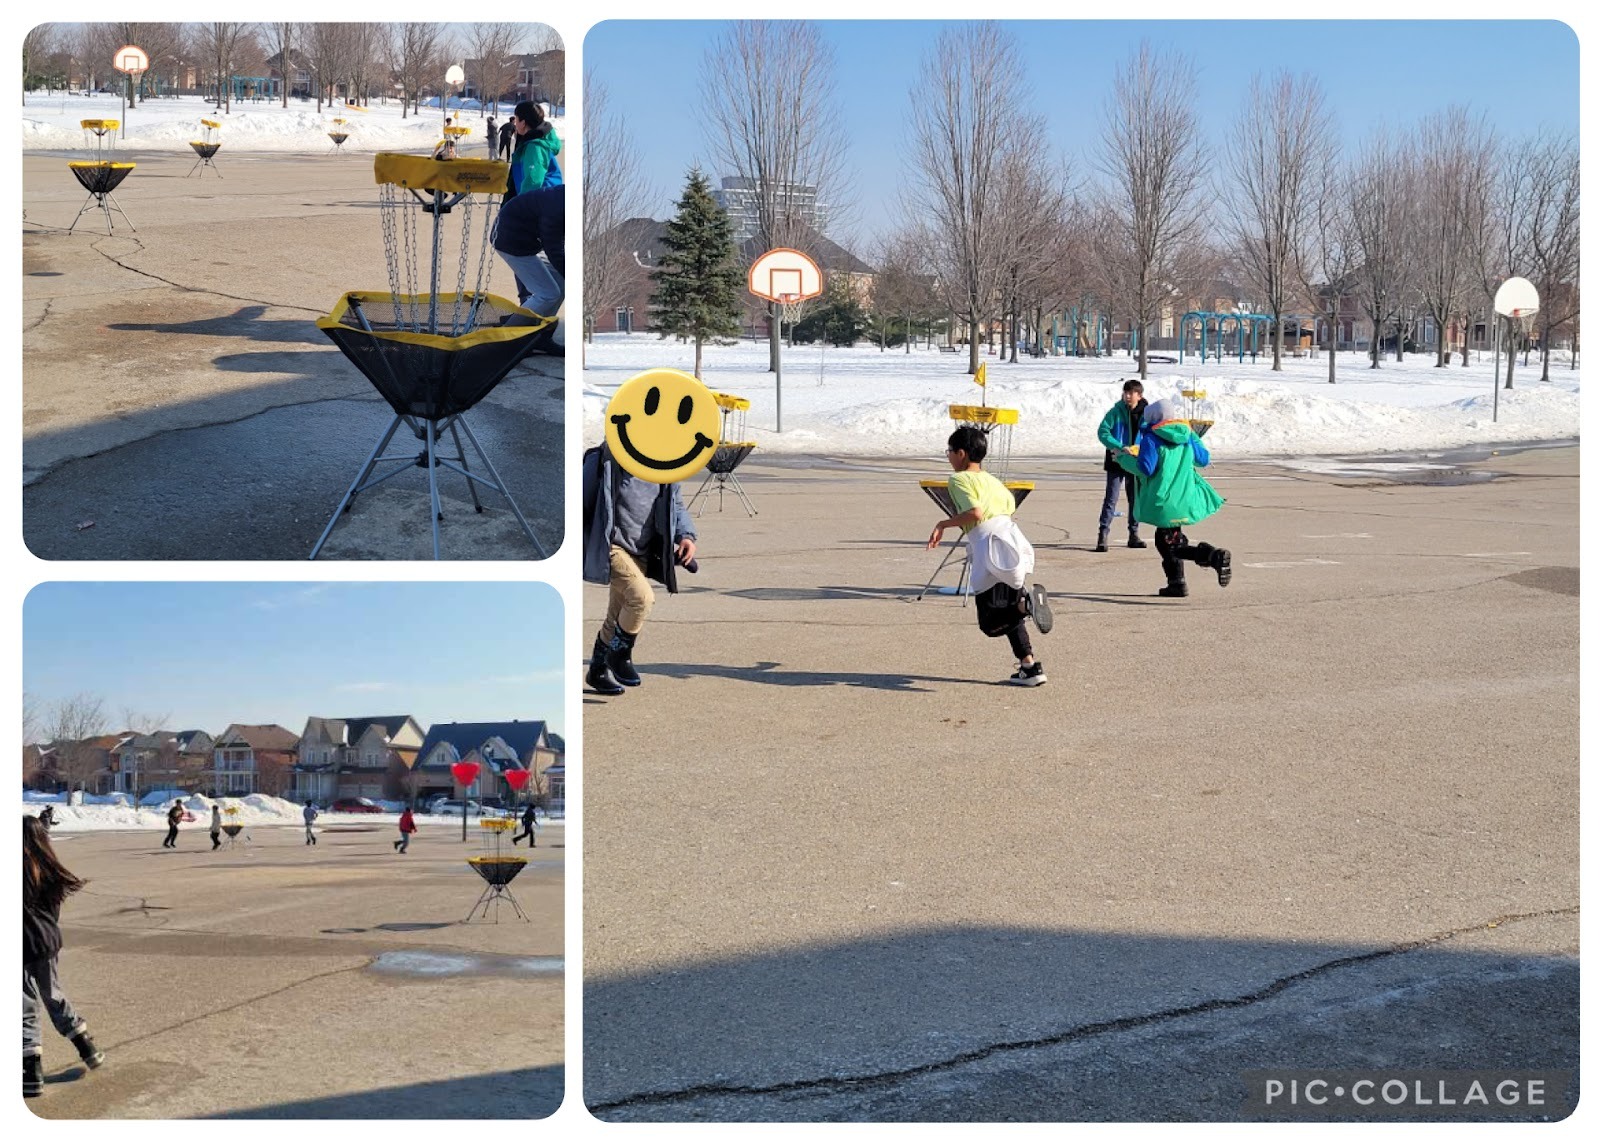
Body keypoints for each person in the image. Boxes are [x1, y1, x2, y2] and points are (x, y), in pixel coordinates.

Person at [927, 425, 1054, 686]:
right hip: (1011, 542)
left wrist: (943, 524)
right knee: (1006, 606)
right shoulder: (992, 480)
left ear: (961, 453)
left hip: (989, 547)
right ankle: (1029, 667)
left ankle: (1025, 605)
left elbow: (975, 513)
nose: (949, 456)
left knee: (990, 622)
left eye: (949, 451)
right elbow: (1006, 507)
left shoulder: (959, 479)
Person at [581, 441, 698, 696]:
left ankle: (597, 670)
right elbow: (581, 501)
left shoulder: (665, 464)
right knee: (641, 598)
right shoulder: (608, 458)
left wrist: (686, 536)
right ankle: (619, 654)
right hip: (612, 546)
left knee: (617, 614)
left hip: (641, 551)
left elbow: (676, 504)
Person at [1112, 396, 1232, 598]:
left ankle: (1213, 556)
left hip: (1163, 500)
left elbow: (1146, 469)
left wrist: (1123, 459)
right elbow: (1203, 459)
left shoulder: (1152, 437)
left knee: (1167, 542)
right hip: (1184, 497)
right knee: (1171, 539)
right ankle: (1177, 583)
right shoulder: (1186, 433)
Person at [24, 815, 104, 1098]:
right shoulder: (48, 871)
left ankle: (30, 1071)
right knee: (53, 995)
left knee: (24, 1006)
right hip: (46, 942)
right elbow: (53, 914)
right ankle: (86, 1046)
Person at [492, 182, 564, 353]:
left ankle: (541, 336)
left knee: (560, 286)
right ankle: (504, 339)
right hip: (510, 241)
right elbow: (554, 248)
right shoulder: (558, 207)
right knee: (547, 294)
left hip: (530, 240)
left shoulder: (565, 199)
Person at [1094, 379, 1148, 552]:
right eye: (1125, 392)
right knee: (1111, 498)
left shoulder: (1147, 414)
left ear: (1139, 395)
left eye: (1131, 393)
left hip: (1135, 461)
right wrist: (1117, 446)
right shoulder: (1115, 412)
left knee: (1135, 499)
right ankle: (1103, 535)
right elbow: (1102, 432)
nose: (1127, 396)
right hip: (1116, 460)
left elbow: (1153, 433)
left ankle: (1134, 534)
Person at [505, 100, 561, 198]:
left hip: (539, 205)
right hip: (543, 202)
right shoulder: (534, 141)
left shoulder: (534, 147)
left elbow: (533, 181)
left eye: (516, 119)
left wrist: (520, 205)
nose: (515, 124)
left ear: (523, 123)